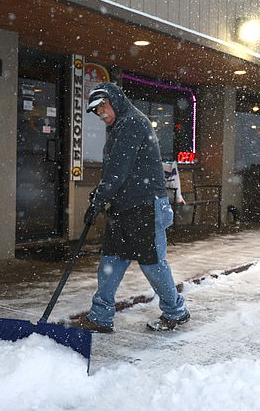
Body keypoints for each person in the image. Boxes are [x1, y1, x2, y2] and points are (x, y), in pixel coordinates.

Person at [73, 81, 190, 333]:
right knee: (111, 261)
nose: (101, 113)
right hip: (123, 206)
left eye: (103, 106)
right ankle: (101, 316)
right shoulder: (119, 125)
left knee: (152, 264)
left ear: (114, 100)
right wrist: (101, 196)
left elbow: (118, 170)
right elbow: (115, 171)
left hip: (145, 204)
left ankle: (175, 311)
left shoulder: (132, 123)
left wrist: (98, 198)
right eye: (96, 110)